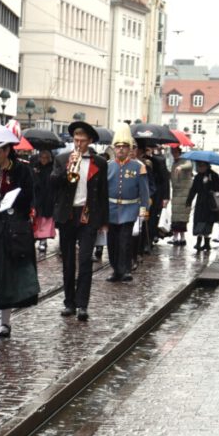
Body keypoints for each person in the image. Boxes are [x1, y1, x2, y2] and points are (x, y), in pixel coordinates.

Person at [0, 140, 36, 337]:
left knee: (8, 274)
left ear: (7, 151)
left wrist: (13, 202)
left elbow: (29, 197)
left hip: (12, 228)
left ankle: (5, 322)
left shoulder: (22, 170)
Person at [52, 121, 108, 322]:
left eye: (83, 141)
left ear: (90, 141)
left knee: (85, 260)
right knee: (68, 261)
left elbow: (103, 193)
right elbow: (53, 183)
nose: (79, 144)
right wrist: (66, 170)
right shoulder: (62, 159)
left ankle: (83, 304)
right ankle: (69, 303)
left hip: (88, 215)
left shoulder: (99, 162)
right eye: (76, 140)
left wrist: (104, 220)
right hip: (68, 215)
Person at [105, 124, 149, 282]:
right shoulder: (108, 166)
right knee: (112, 243)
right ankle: (115, 269)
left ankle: (125, 270)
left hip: (130, 208)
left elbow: (144, 191)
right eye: (118, 147)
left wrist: (144, 210)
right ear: (114, 149)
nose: (121, 150)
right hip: (110, 209)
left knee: (125, 241)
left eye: (124, 147)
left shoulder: (138, 167)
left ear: (130, 148)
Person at [186, 161, 219, 253]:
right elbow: (193, 189)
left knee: (208, 223)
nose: (200, 168)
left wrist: (209, 184)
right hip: (201, 202)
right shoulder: (198, 176)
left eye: (202, 166)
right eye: (199, 166)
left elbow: (218, 189)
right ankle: (198, 242)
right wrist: (189, 200)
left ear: (207, 166)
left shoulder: (214, 175)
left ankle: (207, 243)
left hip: (211, 203)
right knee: (199, 221)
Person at [168, 146, 194, 246]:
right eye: (172, 152)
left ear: (179, 152)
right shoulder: (174, 162)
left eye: (175, 152)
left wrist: (180, 167)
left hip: (184, 193)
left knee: (182, 217)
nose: (173, 153)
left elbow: (189, 165)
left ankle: (182, 238)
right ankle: (175, 237)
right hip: (176, 192)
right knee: (175, 216)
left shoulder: (184, 160)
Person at [31, 149, 56, 253]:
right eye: (42, 157)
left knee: (46, 220)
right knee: (36, 218)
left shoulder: (53, 167)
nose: (43, 160)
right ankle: (36, 237)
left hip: (48, 197)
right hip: (37, 197)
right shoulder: (34, 167)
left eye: (46, 158)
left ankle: (43, 240)